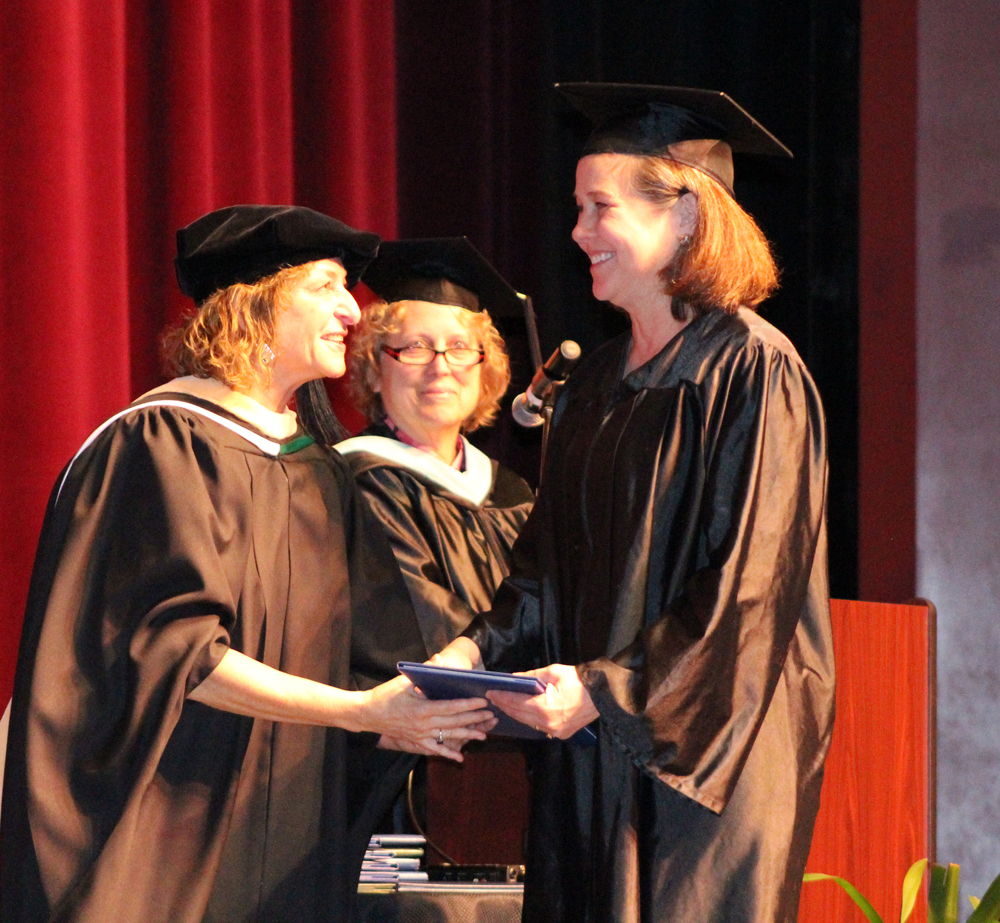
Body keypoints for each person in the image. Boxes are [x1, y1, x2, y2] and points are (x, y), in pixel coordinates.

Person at [0, 205, 493, 923]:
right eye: (325, 286)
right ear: (254, 303)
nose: (350, 311)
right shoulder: (164, 443)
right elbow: (176, 650)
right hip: (159, 831)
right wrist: (359, 710)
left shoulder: (316, 472)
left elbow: (354, 653)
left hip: (282, 837)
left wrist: (416, 704)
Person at [434, 84, 836, 923]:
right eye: (577, 207)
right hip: (589, 752)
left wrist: (608, 691)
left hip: (706, 757)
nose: (578, 231)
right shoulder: (591, 386)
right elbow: (542, 570)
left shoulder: (755, 371)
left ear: (684, 216)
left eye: (599, 207)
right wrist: (471, 655)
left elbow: (750, 586)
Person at [333, 238, 534, 653]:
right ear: (373, 370)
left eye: (459, 347)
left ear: (486, 369)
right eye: (415, 347)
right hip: (410, 710)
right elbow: (420, 623)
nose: (440, 366)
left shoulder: (512, 492)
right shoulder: (358, 484)